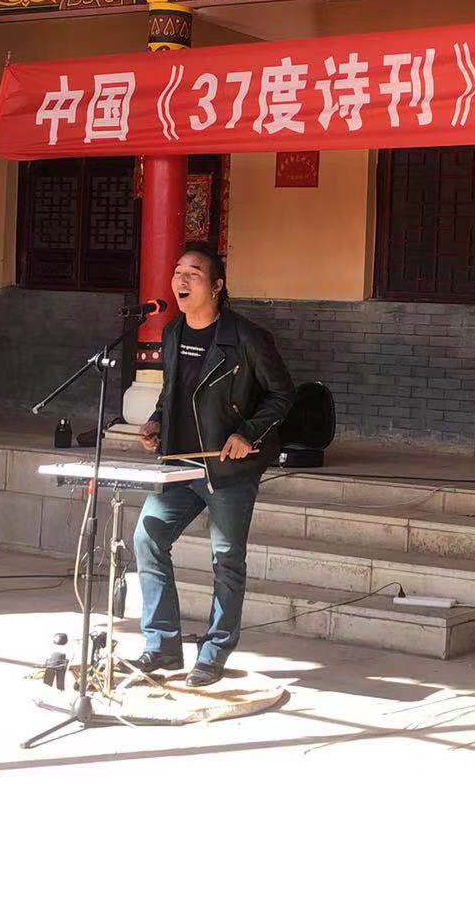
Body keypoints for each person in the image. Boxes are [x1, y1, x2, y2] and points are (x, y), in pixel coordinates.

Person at [131, 241, 294, 687]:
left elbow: (283, 395)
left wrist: (248, 433)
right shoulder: (172, 333)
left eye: (194, 274)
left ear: (217, 286)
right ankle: (162, 646)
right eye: (177, 272)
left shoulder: (247, 338)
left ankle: (215, 650)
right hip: (179, 466)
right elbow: (172, 393)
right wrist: (156, 422)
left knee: (226, 560)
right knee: (148, 537)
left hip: (227, 471)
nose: (181, 280)